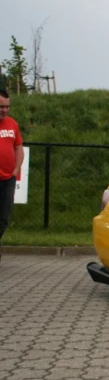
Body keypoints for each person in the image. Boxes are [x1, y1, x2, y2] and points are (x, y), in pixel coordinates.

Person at [0, 89, 24, 262]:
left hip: (8, 179)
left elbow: (18, 147)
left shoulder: (12, 124)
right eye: (1, 106)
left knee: (4, 218)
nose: (4, 110)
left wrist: (16, 170)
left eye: (7, 107)